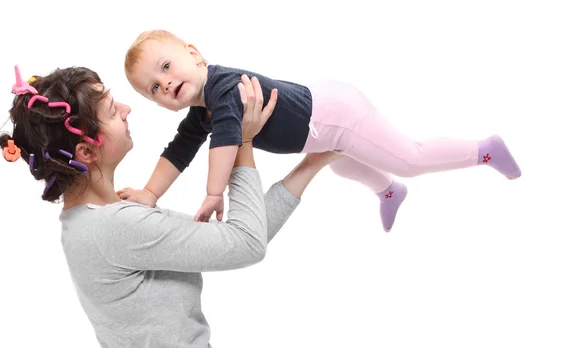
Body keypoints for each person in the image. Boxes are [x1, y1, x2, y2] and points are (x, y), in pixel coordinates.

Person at [0, 65, 435, 348]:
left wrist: (312, 163)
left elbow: (240, 237)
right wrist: (242, 141)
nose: (128, 109)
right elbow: (245, 244)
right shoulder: (120, 226)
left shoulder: (96, 220)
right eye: (113, 110)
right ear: (87, 150)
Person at [118, 29, 522, 232]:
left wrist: (213, 193)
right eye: (154, 87)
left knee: (410, 159)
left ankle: (483, 150)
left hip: (336, 115)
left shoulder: (223, 88)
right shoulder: (203, 109)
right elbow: (179, 150)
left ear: (193, 54)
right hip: (322, 120)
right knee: (344, 165)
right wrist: (150, 193)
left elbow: (227, 139)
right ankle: (388, 190)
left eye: (166, 67)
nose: (165, 83)